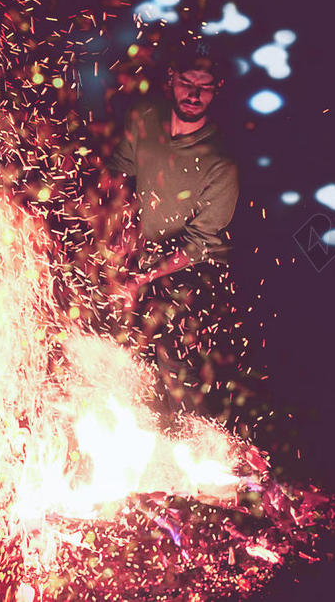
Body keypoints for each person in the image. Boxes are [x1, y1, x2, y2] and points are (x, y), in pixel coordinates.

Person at [104, 40, 240, 415]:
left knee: (167, 336)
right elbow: (120, 172)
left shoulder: (220, 164)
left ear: (216, 90)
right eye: (187, 83)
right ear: (172, 79)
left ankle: (189, 427)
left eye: (204, 87)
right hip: (146, 248)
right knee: (103, 310)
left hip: (196, 266)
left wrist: (140, 279)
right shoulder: (145, 118)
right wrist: (123, 225)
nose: (193, 94)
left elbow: (199, 245)